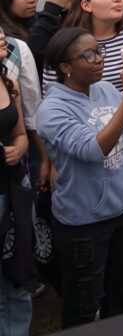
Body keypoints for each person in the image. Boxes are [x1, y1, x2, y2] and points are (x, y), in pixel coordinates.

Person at [37, 27, 123, 329]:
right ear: (65, 68)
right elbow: (92, 150)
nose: (99, 59)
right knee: (83, 305)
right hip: (84, 223)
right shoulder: (52, 110)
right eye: (87, 55)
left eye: (99, 51)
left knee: (121, 293)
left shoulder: (105, 90)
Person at [0, 23, 32, 336]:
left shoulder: (7, 80)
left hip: (13, 192)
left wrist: (18, 148)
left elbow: (20, 135)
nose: (1, 35)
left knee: (18, 277)